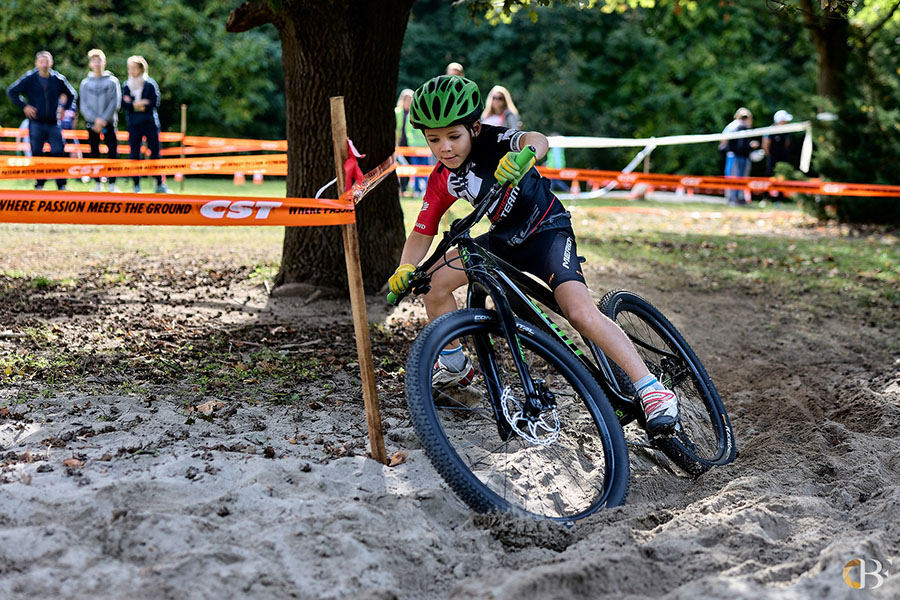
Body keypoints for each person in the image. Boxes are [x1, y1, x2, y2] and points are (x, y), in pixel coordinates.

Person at [387, 75, 679, 434]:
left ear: (475, 127)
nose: (444, 148)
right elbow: (422, 231)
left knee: (579, 312)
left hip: (546, 230)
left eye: (453, 136)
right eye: (434, 140)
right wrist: (406, 265)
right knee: (431, 284)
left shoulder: (496, 139)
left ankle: (652, 389)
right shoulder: (441, 178)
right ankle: (454, 363)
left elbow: (536, 140)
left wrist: (525, 156)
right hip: (504, 240)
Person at [6, 51, 76, 190]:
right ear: (36, 63)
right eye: (41, 61)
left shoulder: (58, 79)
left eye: (47, 61)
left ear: (51, 63)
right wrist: (24, 106)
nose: (44, 64)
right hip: (36, 122)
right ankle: (39, 184)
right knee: (37, 153)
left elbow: (72, 94)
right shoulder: (30, 78)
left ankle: (61, 185)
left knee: (58, 152)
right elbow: (11, 91)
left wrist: (64, 108)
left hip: (53, 123)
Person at [122, 55, 171, 194]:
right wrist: (139, 104)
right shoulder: (126, 85)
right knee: (134, 155)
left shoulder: (150, 84)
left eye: (134, 68)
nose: (131, 71)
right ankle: (136, 185)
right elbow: (124, 103)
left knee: (155, 154)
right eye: (129, 68)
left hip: (150, 124)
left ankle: (159, 183)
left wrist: (134, 104)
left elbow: (154, 102)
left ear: (141, 69)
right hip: (134, 125)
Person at [80, 49, 121, 192]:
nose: (97, 64)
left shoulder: (112, 81)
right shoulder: (85, 83)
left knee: (112, 153)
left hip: (109, 123)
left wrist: (103, 120)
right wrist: (95, 120)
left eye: (99, 60)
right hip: (91, 125)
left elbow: (115, 103)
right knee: (94, 153)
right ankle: (97, 182)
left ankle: (112, 184)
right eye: (94, 61)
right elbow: (83, 106)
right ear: (90, 63)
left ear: (104, 62)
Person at [395, 88, 430, 195]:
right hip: (400, 142)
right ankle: (402, 189)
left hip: (412, 143)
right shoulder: (398, 112)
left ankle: (409, 189)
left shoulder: (416, 112)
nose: (408, 102)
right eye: (407, 99)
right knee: (401, 166)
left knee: (412, 167)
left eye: (410, 99)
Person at [721, 107, 758, 206]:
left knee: (742, 178)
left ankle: (739, 197)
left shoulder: (746, 128)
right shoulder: (732, 126)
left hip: (744, 156)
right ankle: (732, 198)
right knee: (733, 177)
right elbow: (723, 141)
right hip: (734, 155)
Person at [763, 109, 793, 177]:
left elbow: (787, 144)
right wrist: (770, 157)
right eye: (785, 120)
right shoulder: (770, 130)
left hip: (783, 157)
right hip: (772, 159)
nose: (786, 122)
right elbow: (765, 145)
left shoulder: (786, 131)